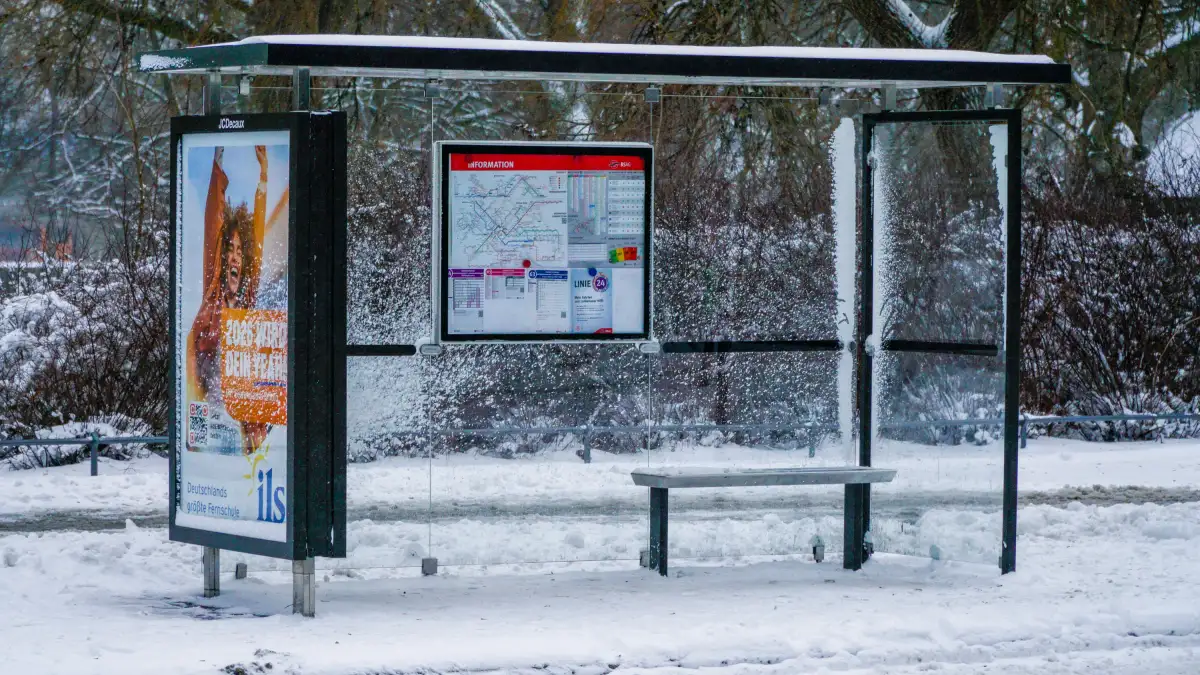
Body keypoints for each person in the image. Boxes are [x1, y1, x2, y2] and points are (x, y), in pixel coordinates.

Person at [187, 145, 270, 455]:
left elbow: (257, 242)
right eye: (230, 250)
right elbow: (213, 228)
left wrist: (264, 179)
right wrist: (217, 170)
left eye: (239, 251)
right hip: (209, 423)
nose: (235, 257)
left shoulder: (247, 303)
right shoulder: (213, 297)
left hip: (239, 432)